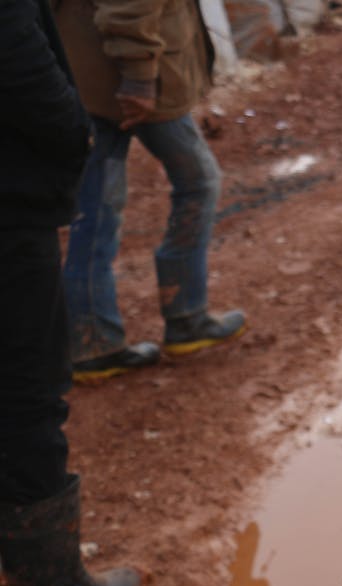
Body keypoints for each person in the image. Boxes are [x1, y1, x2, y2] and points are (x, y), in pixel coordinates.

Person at [0, 0, 143, 586]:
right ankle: (50, 585)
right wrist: (74, 138)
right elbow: (24, 67)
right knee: (24, 390)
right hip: (9, 212)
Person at [54, 0, 246, 382]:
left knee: (96, 205)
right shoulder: (137, 75)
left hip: (86, 67)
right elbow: (128, 5)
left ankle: (94, 343)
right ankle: (186, 317)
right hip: (134, 78)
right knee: (198, 182)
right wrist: (139, 75)